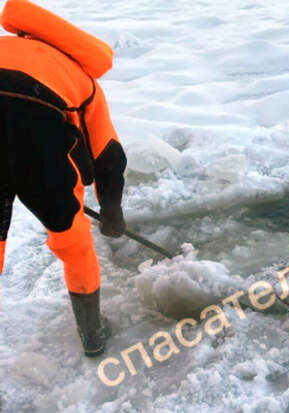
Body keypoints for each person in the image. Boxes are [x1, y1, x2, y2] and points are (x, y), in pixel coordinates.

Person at [0, 0, 126, 357]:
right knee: (74, 244)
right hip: (41, 154)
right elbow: (108, 155)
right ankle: (92, 335)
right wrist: (112, 211)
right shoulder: (83, 80)